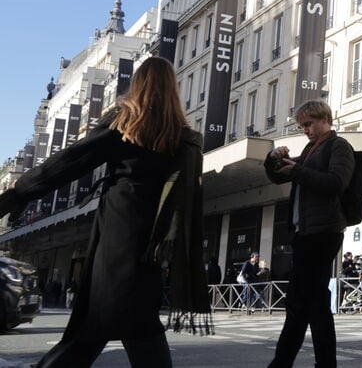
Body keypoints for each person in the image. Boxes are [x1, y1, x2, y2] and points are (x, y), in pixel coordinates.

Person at [0, 56, 211, 367]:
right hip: (149, 245)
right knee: (134, 326)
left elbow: (71, 161)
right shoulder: (182, 138)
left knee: (101, 324)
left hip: (117, 237)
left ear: (137, 85)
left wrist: (20, 192)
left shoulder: (124, 124)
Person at [265, 100, 355, 368]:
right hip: (307, 232)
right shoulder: (310, 148)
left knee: (303, 304)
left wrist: (298, 170)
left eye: (309, 123)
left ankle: (284, 363)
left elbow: (336, 182)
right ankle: (303, 363)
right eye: (302, 125)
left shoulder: (338, 146)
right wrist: (273, 160)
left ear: (325, 118)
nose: (305, 129)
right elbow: (279, 177)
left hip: (323, 232)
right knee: (309, 305)